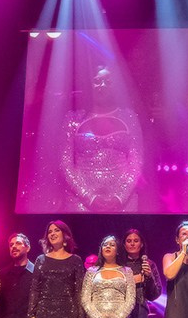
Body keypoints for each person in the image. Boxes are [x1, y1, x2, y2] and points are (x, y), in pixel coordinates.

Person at [62, 66, 145, 212]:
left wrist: (120, 197)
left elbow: (136, 161)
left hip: (122, 202)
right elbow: (65, 163)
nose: (103, 85)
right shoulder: (73, 118)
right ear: (89, 84)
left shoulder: (128, 117)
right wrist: (88, 196)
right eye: (97, 81)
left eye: (108, 81)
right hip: (81, 202)